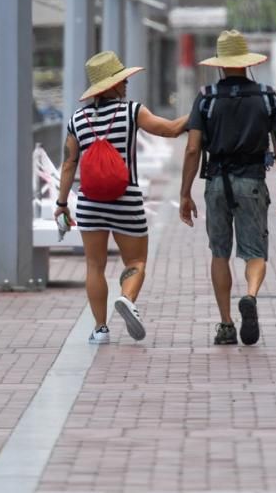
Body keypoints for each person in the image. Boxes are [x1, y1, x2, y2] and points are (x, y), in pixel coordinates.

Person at [56, 51, 188, 344]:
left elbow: (68, 163)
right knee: (137, 260)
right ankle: (127, 298)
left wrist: (62, 204)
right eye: (122, 80)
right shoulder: (132, 111)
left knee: (94, 265)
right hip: (125, 199)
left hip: (89, 202)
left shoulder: (76, 120)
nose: (126, 83)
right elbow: (169, 130)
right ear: (111, 86)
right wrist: (199, 113)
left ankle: (100, 329)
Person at [179, 30, 276, 346]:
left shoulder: (205, 98)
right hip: (253, 182)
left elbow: (192, 150)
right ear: (246, 63)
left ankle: (226, 325)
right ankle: (249, 295)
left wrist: (184, 193)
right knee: (255, 253)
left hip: (216, 183)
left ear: (220, 65)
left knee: (220, 253)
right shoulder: (267, 95)